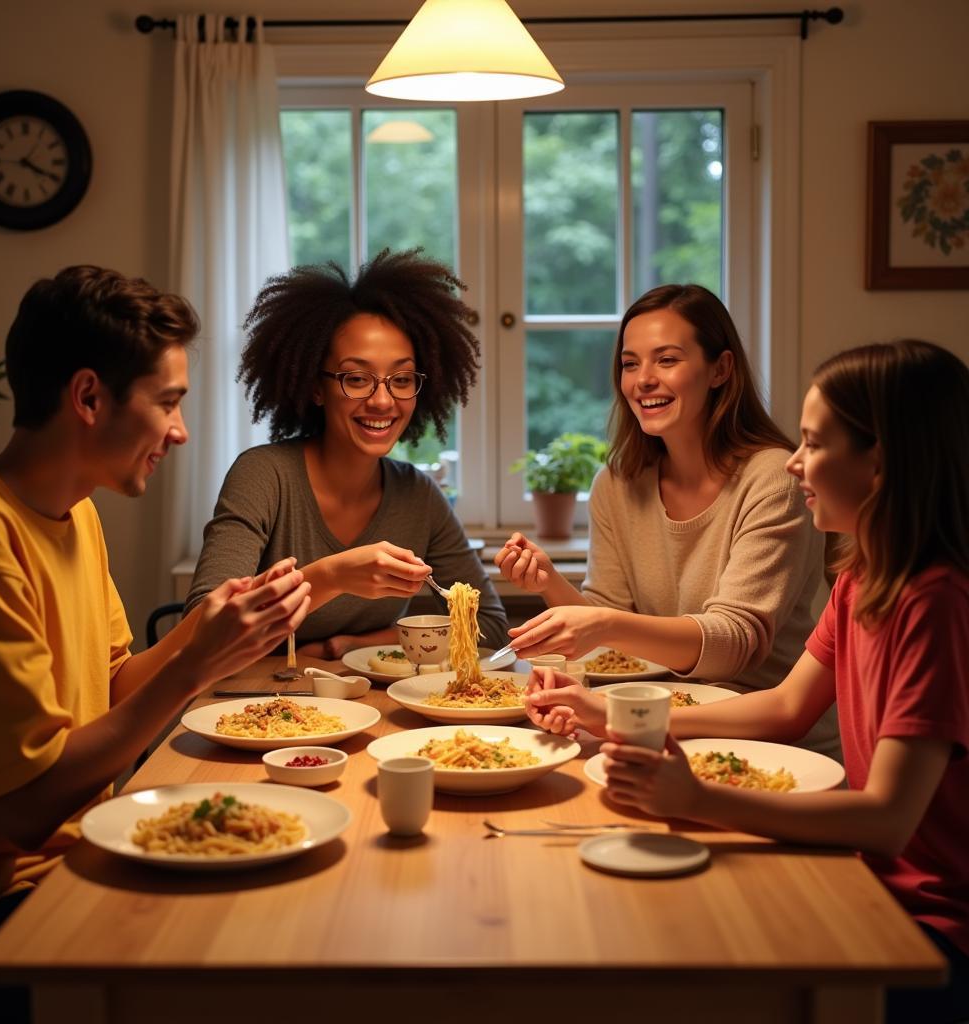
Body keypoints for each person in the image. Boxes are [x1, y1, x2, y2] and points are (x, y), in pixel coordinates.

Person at [527, 339, 969, 1023]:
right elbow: (785, 707)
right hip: (860, 875)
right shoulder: (860, 580)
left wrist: (698, 798)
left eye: (815, 444)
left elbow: (886, 817)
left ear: (879, 462)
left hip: (929, 927)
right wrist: (605, 715)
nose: (794, 462)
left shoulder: (936, 602)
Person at [0, 266, 311, 1023]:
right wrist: (195, 668)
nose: (178, 431)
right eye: (169, 403)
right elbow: (22, 810)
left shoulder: (74, 513)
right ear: (88, 397)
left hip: (71, 864)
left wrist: (204, 631)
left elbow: (113, 687)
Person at [495, 283, 835, 753]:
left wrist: (602, 624)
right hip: (656, 726)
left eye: (667, 360)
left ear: (720, 369)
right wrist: (550, 583)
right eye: (630, 363)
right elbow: (606, 632)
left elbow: (734, 644)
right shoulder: (616, 483)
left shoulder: (774, 479)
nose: (642, 380)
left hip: (766, 743)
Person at [186, 248, 507, 658]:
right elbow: (203, 627)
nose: (382, 401)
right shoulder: (264, 476)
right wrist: (331, 577)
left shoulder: (419, 496)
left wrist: (348, 647)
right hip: (261, 707)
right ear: (316, 387)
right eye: (356, 378)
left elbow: (490, 628)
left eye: (402, 379)